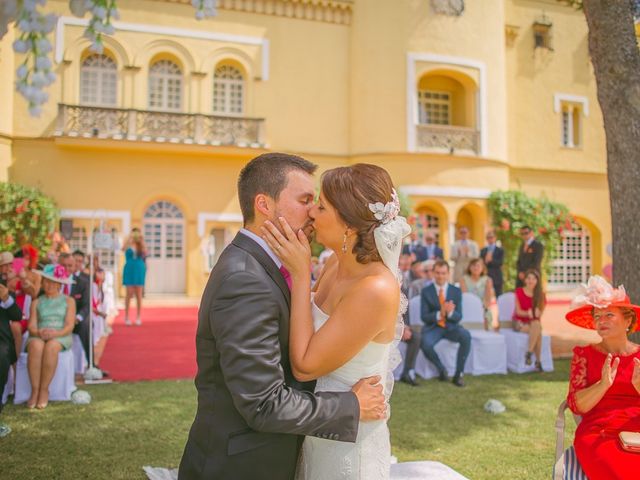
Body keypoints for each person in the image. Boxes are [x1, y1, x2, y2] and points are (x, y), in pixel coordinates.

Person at [179, 153, 385, 480]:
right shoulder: (245, 280)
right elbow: (264, 404)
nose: (313, 212)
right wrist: (351, 406)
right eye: (305, 200)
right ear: (264, 204)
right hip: (241, 466)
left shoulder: (265, 266)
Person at [262, 163, 409, 479]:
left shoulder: (376, 288)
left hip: (349, 444)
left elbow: (305, 363)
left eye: (322, 206)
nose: (312, 212)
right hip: (319, 423)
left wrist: (301, 273)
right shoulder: (333, 266)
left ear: (349, 227)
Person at [565, 275, 640, 480]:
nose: (601, 321)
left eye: (609, 315)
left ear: (628, 319)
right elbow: (575, 405)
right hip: (599, 434)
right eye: (597, 316)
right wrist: (603, 385)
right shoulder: (584, 355)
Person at [26, 264, 75, 409]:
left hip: (61, 335)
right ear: (42, 282)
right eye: (46, 281)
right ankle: (34, 390)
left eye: (53, 281)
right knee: (36, 345)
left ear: (60, 284)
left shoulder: (68, 301)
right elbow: (31, 326)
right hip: (39, 333)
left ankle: (44, 389)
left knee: (51, 346)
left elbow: (69, 325)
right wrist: (39, 332)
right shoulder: (36, 302)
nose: (49, 284)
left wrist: (55, 334)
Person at [420, 260, 471, 387]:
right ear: (433, 273)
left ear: (448, 274)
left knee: (466, 336)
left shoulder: (456, 291)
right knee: (425, 343)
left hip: (451, 327)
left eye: (443, 273)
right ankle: (441, 369)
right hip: (434, 327)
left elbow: (459, 317)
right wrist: (440, 313)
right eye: (437, 273)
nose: (440, 276)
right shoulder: (426, 291)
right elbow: (424, 316)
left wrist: (450, 313)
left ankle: (458, 375)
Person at [1, 272, 22, 436]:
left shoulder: (5, 292)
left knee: (2, 357)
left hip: (1, 342)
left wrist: (6, 298)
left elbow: (16, 315)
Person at [512, 269, 546, 371]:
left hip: (533, 323)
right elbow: (518, 312)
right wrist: (528, 313)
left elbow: (539, 315)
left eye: (534, 278)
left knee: (536, 326)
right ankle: (537, 362)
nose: (531, 281)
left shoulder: (541, 295)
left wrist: (537, 313)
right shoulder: (519, 292)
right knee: (538, 330)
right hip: (519, 322)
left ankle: (529, 354)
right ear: (525, 280)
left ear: (537, 280)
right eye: (528, 278)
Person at [460, 258, 495, 331]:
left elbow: (488, 299)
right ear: (469, 267)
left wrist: (481, 309)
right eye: (473, 265)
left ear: (482, 268)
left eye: (478, 266)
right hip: (468, 307)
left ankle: (486, 333)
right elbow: (465, 297)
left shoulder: (488, 280)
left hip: (483, 308)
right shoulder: (463, 279)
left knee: (486, 315)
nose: (476, 268)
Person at [122, 228, 147, 326]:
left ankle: (138, 316)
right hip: (129, 268)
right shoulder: (128, 243)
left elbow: (145, 252)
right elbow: (123, 249)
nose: (136, 235)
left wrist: (141, 240)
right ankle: (127, 316)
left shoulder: (141, 244)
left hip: (139, 268)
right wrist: (129, 239)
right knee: (128, 294)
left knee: (139, 294)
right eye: (134, 233)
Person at [480, 231, 504, 297]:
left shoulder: (500, 250)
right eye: (488, 237)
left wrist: (491, 260)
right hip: (486, 275)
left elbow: (500, 262)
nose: (490, 239)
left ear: (495, 238)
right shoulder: (483, 250)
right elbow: (480, 263)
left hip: (497, 276)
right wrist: (485, 261)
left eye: (491, 237)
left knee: (498, 295)